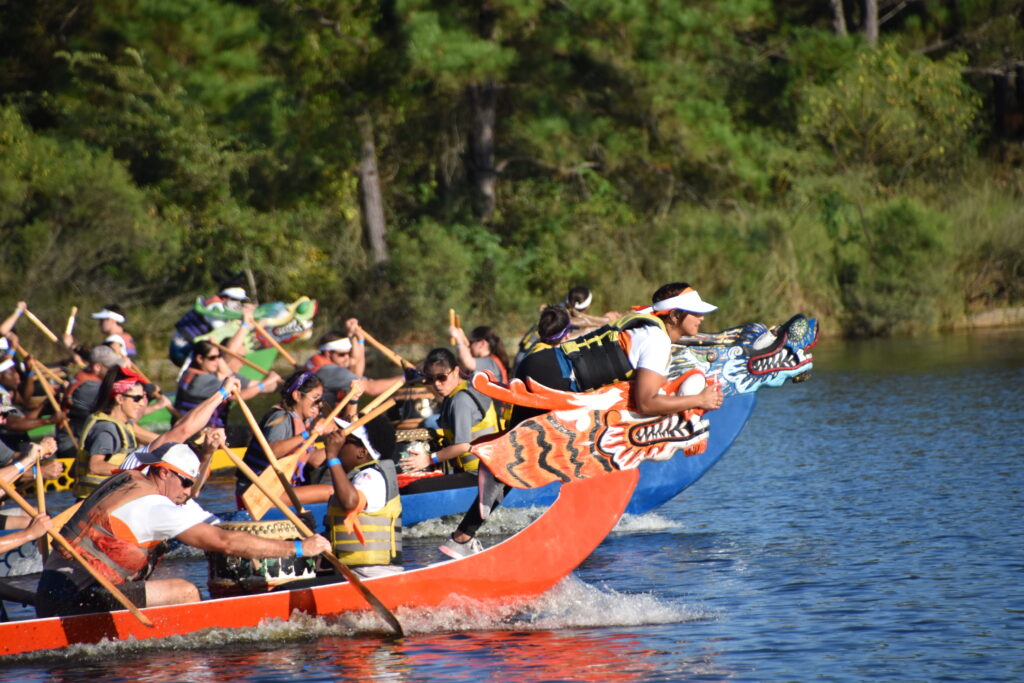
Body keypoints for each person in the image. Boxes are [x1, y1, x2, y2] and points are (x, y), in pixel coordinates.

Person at [437, 282, 726, 558]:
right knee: (567, 452)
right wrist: (699, 401)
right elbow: (648, 401)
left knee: (511, 459)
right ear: (674, 315)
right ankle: (562, 533)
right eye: (695, 312)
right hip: (554, 381)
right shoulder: (657, 340)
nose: (701, 318)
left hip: (540, 365)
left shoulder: (645, 320)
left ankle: (463, 537)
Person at [35, 441, 332, 617]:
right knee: (185, 590)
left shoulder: (127, 478)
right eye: (187, 483)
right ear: (163, 472)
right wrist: (298, 549)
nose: (190, 491)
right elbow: (223, 542)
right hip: (79, 599)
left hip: (51, 589)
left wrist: (206, 452)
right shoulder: (155, 507)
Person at [235, 370, 347, 507]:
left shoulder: (303, 422)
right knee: (330, 492)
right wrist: (308, 434)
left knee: (340, 491)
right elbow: (273, 451)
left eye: (321, 400)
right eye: (315, 398)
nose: (320, 404)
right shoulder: (280, 418)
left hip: (279, 491)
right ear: (297, 396)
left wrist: (339, 441)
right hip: (255, 494)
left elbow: (313, 461)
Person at [399, 348, 500, 480]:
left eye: (441, 378)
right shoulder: (467, 386)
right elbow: (436, 379)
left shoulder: (460, 401)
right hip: (489, 467)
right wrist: (419, 378)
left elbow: (463, 446)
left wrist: (429, 459)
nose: (436, 384)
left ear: (456, 371)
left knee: (419, 488)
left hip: (480, 473)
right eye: (431, 379)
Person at [322, 421, 403, 578]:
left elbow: (350, 503)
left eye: (344, 441)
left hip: (371, 573)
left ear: (362, 452)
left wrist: (332, 456)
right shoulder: (356, 476)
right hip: (353, 570)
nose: (338, 446)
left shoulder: (371, 477)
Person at [174, 338, 282, 436]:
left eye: (219, 356)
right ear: (200, 358)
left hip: (206, 430)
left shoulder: (194, 373)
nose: (217, 361)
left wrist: (287, 383)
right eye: (212, 358)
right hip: (200, 435)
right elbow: (239, 396)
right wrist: (266, 382)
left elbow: (228, 375)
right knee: (252, 435)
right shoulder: (200, 380)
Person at [306, 321, 403, 411]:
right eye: (342, 355)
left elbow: (356, 373)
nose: (347, 358)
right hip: (324, 424)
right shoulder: (330, 371)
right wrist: (405, 377)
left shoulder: (314, 361)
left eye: (349, 353)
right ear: (327, 353)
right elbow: (372, 388)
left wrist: (358, 339)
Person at [56, 345, 128, 457]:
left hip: (85, 440)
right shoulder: (89, 386)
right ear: (97, 367)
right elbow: (122, 413)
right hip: (73, 447)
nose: (115, 372)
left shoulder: (87, 378)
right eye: (111, 368)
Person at [169, 283, 252, 366]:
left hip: (190, 346)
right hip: (182, 350)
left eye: (241, 301)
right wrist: (244, 323)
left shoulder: (221, 308)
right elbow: (223, 330)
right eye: (235, 300)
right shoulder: (214, 308)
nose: (239, 304)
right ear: (225, 298)